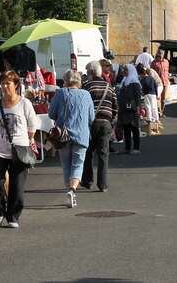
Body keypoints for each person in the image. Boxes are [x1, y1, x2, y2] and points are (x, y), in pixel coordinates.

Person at [0, 71, 38, 228]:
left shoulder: (24, 103)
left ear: (16, 85)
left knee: (17, 185)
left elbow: (33, 125)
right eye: (2, 83)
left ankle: (13, 216)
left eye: (8, 83)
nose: (4, 86)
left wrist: (28, 138)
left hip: (20, 149)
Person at [48, 69, 94, 208]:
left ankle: (69, 191)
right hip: (81, 135)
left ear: (66, 80)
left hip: (63, 135)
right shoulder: (86, 95)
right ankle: (72, 190)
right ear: (79, 81)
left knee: (66, 165)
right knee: (78, 164)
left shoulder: (60, 93)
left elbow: (51, 114)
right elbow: (91, 117)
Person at [80, 61, 117, 192]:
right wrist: (111, 121)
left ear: (90, 72)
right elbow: (115, 107)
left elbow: (82, 106)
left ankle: (87, 181)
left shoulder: (87, 86)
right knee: (103, 154)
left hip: (91, 123)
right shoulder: (109, 86)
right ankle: (103, 185)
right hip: (106, 123)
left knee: (88, 152)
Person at [116, 64, 143, 153]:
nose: (124, 72)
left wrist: (139, 107)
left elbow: (138, 97)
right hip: (124, 109)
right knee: (126, 129)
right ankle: (127, 148)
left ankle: (136, 148)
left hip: (133, 109)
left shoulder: (135, 82)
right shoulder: (124, 81)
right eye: (124, 70)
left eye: (126, 70)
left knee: (134, 128)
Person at [138, 64, 160, 135]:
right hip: (153, 94)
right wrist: (157, 94)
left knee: (148, 107)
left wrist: (142, 93)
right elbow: (155, 86)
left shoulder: (143, 80)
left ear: (142, 74)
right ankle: (156, 119)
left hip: (147, 94)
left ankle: (150, 119)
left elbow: (141, 88)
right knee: (154, 107)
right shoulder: (151, 78)